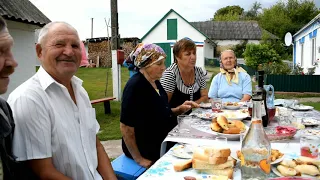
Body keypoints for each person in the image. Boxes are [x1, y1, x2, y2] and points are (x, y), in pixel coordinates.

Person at [7, 22, 116, 180]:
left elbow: (95, 144)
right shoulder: (29, 98)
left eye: (75, 45)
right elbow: (44, 172)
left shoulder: (80, 91)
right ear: (39, 51)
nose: (69, 51)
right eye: (59, 44)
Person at [120, 43, 198, 168]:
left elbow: (160, 112)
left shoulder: (155, 82)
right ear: (145, 64)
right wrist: (139, 159)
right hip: (146, 149)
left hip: (162, 141)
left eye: (163, 63)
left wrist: (179, 109)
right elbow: (126, 127)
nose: (164, 68)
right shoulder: (135, 86)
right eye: (159, 64)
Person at [160, 38, 208, 114]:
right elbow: (163, 107)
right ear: (177, 57)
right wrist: (180, 109)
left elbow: (205, 97)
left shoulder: (199, 71)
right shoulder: (170, 74)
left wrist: (191, 105)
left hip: (193, 118)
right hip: (173, 121)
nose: (193, 57)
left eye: (194, 53)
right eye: (188, 54)